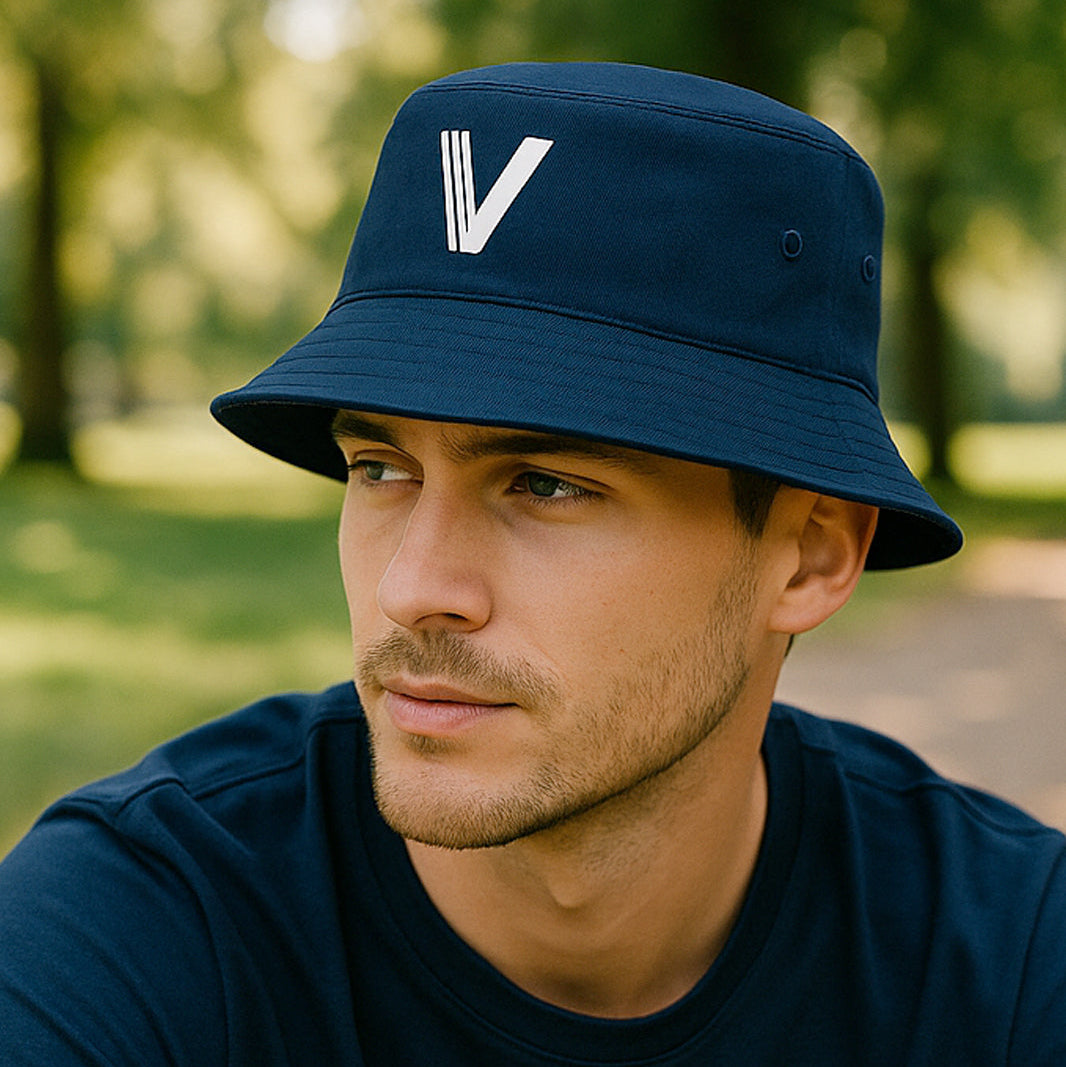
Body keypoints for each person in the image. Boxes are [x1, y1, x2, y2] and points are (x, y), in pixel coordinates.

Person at [1, 61, 1063, 1065]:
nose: (412, 589)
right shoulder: (131, 930)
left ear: (810, 554)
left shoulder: (1007, 964)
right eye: (381, 467)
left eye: (546, 483)